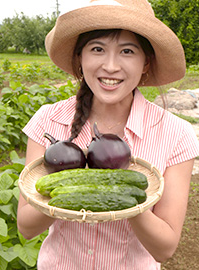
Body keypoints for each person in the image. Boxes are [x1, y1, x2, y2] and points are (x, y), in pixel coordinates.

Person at [17, 0, 199, 269]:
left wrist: (129, 200)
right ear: (80, 58)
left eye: (127, 51)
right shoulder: (48, 120)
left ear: (146, 62)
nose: (111, 66)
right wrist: (60, 191)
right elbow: (26, 227)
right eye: (97, 49)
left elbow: (165, 248)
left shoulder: (176, 134)